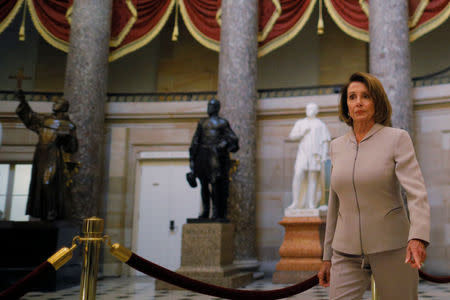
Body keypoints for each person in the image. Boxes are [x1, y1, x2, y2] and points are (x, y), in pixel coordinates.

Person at [318, 72, 430, 299]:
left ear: (376, 101)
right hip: (345, 251)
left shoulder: (397, 138)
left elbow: (417, 192)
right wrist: (327, 256)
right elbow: (334, 203)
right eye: (352, 97)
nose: (358, 102)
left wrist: (417, 236)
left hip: (392, 247)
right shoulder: (336, 146)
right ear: (346, 105)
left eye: (365, 96)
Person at [16, 90, 78, 221]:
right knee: (39, 184)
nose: (54, 103)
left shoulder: (68, 125)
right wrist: (23, 101)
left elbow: (72, 148)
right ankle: (44, 212)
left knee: (48, 182)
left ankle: (52, 210)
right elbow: (29, 117)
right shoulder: (44, 120)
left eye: (58, 102)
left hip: (54, 155)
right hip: (41, 155)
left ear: (64, 107)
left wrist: (67, 139)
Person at [187, 99, 239, 220]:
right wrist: (192, 158)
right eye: (208, 105)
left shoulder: (222, 123)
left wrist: (223, 144)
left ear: (217, 108)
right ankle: (205, 211)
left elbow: (233, 139)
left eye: (211, 106)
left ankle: (216, 212)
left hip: (215, 156)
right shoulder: (202, 123)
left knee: (215, 184)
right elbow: (196, 140)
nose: (209, 108)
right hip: (202, 155)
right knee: (204, 185)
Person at [286, 103, 330, 212]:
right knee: (298, 175)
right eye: (307, 108)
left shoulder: (320, 124)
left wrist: (324, 155)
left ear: (316, 111)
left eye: (311, 108)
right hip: (303, 154)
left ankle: (311, 204)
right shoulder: (301, 123)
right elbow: (292, 136)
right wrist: (302, 132)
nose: (309, 110)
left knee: (313, 179)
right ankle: (296, 202)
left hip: (315, 155)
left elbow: (325, 141)